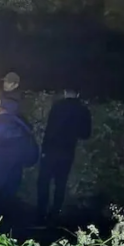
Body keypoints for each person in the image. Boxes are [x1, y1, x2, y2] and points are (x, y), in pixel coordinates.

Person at [0, 72, 39, 231]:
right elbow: (31, 159)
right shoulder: (23, 131)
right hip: (11, 181)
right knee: (5, 217)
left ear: (1, 108)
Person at [36, 89, 91, 224]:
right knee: (60, 183)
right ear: (78, 94)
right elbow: (86, 134)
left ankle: (41, 212)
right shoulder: (83, 110)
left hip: (51, 149)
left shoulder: (57, 106)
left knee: (43, 181)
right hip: (67, 151)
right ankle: (55, 213)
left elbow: (50, 129)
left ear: (66, 92)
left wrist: (44, 148)